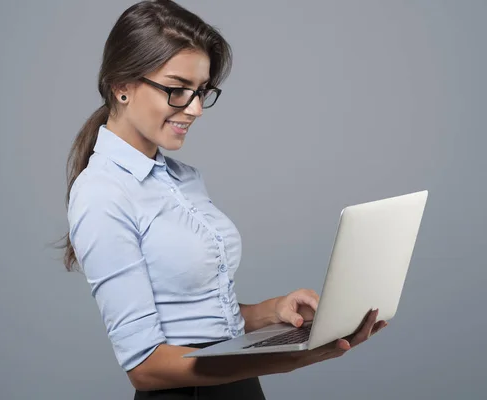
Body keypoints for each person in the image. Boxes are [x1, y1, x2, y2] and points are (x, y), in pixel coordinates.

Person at [60, 1, 387, 398]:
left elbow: (201, 319)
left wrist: (271, 312)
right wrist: (297, 358)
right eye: (177, 90)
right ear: (122, 86)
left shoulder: (183, 179)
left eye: (201, 91)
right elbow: (144, 367)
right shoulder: (102, 193)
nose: (195, 109)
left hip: (238, 385)